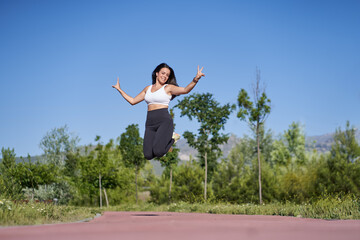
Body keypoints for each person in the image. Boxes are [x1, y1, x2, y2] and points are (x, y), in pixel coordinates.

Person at [112, 63, 205, 160]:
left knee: (159, 152)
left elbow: (185, 90)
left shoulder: (168, 88)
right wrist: (119, 89)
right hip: (150, 123)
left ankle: (173, 138)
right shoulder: (147, 89)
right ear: (157, 73)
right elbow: (132, 101)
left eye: (167, 75)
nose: (164, 76)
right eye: (163, 73)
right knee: (148, 155)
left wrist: (196, 79)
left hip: (163, 121)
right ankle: (168, 142)